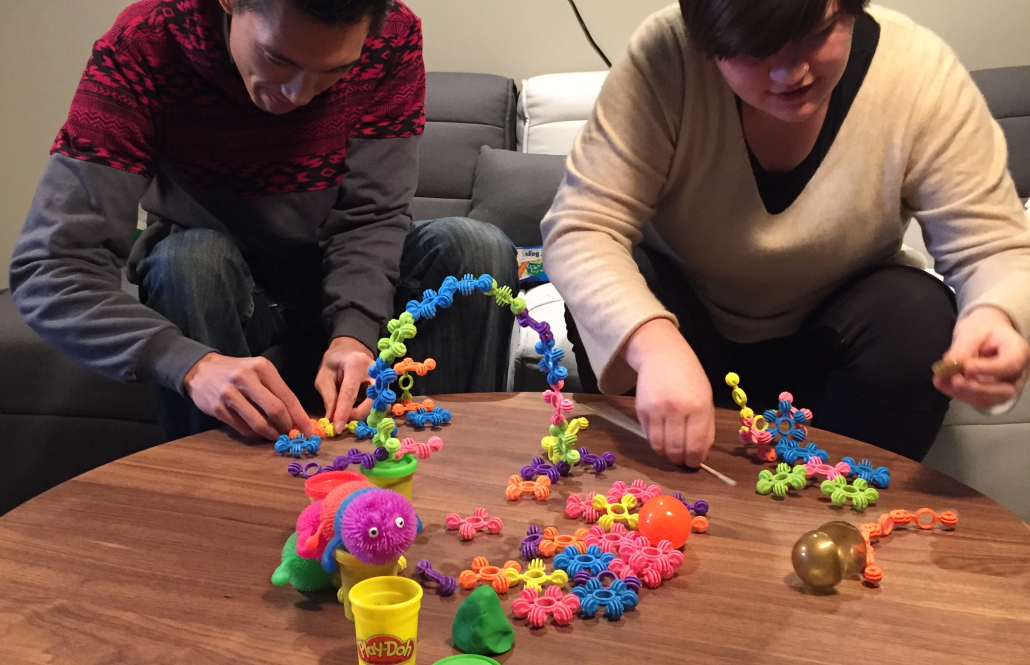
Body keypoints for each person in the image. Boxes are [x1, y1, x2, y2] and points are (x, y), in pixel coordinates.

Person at [542, 0, 1030, 467]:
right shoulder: (665, 57)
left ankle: (852, 518)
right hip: (682, 335)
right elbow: (581, 227)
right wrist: (651, 342)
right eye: (754, 50)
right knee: (622, 297)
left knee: (916, 314)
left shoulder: (919, 73)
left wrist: (994, 313)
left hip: (830, 347)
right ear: (705, 38)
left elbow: (994, 246)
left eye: (816, 35)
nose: (790, 74)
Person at [9, 0, 518, 442]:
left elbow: (371, 215)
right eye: (278, 58)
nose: (298, 95)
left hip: (339, 281)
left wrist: (356, 333)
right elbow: (50, 269)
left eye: (334, 72)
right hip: (227, 288)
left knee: (475, 247)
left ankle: (443, 489)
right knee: (191, 259)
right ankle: (224, 507)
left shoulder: (392, 37)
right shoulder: (143, 46)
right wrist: (189, 363)